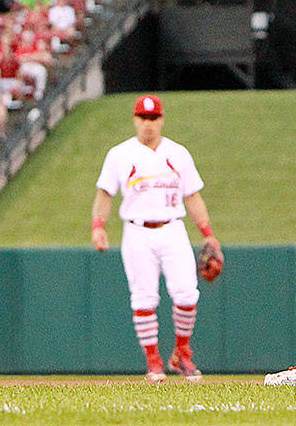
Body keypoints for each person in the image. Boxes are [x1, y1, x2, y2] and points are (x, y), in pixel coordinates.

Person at [91, 94, 222, 383]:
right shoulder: (120, 154)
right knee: (144, 298)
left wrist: (209, 235)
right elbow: (105, 193)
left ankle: (182, 353)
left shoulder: (178, 153)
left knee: (187, 293)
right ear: (135, 120)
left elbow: (193, 196)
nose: (148, 124)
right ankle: (153, 361)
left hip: (172, 227)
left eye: (153, 118)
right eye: (143, 118)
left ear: (161, 120)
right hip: (136, 231)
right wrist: (98, 225)